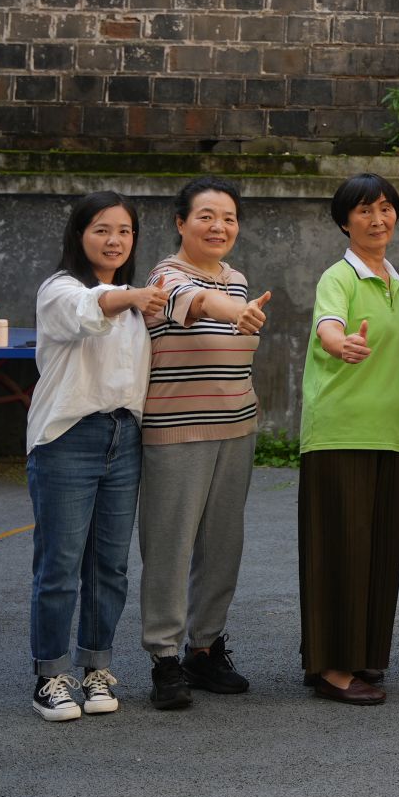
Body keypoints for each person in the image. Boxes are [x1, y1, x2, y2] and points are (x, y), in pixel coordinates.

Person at [298, 174, 399, 706]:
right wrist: (339, 345)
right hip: (338, 432)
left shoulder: (392, 280)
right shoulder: (338, 276)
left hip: (383, 433)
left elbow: (380, 351)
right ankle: (331, 668)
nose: (377, 219)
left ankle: (358, 654)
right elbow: (329, 327)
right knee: (339, 550)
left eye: (385, 208)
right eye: (364, 210)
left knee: (376, 551)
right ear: (345, 222)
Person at [26, 192, 165, 721]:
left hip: (124, 436)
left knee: (110, 565)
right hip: (67, 438)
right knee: (59, 566)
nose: (114, 240)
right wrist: (133, 295)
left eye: (125, 231)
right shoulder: (60, 289)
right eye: (102, 229)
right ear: (79, 235)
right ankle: (50, 676)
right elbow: (92, 309)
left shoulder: (135, 304)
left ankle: (96, 667)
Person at [138, 177, 269, 712]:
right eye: (207, 216)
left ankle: (205, 647)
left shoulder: (237, 279)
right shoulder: (164, 276)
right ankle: (164, 658)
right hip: (177, 431)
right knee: (169, 547)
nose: (219, 227)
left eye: (229, 218)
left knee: (222, 547)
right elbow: (193, 303)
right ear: (181, 222)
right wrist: (233, 311)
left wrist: (238, 307)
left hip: (236, 429)